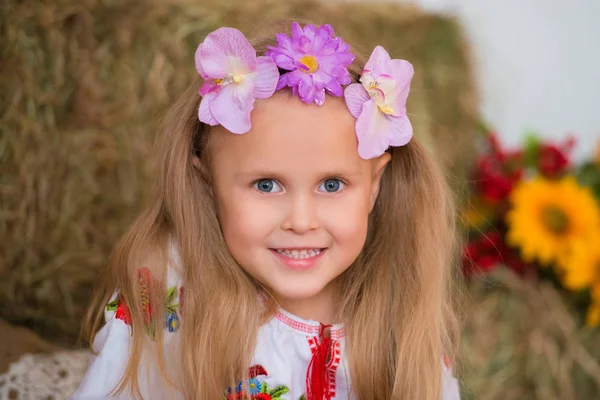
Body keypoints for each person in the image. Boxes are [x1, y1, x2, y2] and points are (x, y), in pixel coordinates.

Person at [72, 19, 461, 400]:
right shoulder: (172, 292)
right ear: (207, 185)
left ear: (374, 187)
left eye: (331, 185)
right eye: (266, 185)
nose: (301, 221)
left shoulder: (399, 317)